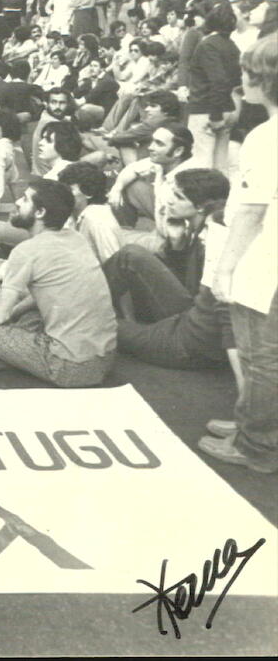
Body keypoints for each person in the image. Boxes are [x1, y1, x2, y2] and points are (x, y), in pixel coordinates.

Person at [0, 179, 117, 387]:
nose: (17, 202)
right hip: (105, 359)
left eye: (25, 199)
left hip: (69, 366)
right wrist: (15, 313)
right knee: (32, 313)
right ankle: (20, 351)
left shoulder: (25, 251)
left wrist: (5, 315)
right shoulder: (76, 238)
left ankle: (18, 360)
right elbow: (45, 295)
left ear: (40, 212)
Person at [204, 34, 277, 474]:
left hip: (265, 261)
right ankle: (254, 424)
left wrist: (224, 269)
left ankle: (257, 445)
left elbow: (251, 213)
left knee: (262, 358)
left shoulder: (266, 137)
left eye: (247, 72)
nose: (241, 80)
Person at [105, 168, 232, 372]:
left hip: (190, 331)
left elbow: (209, 300)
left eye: (179, 197)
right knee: (131, 256)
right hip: (186, 315)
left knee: (102, 325)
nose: (170, 201)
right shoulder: (194, 227)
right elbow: (185, 281)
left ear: (202, 206)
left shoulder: (211, 237)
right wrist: (176, 246)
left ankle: (83, 310)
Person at [107, 123, 198, 251]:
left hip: (170, 244)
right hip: (163, 220)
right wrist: (117, 188)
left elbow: (180, 236)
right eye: (153, 141)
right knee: (130, 184)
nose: (150, 147)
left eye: (159, 144)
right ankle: (125, 229)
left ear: (178, 151)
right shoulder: (166, 161)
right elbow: (132, 168)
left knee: (110, 238)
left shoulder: (187, 180)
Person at [186, 1, 241, 170]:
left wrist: (215, 116)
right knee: (220, 164)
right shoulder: (231, 45)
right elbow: (235, 80)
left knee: (201, 163)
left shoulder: (208, 45)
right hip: (226, 108)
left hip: (206, 110)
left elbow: (219, 81)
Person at [57, 161, 124, 264]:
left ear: (88, 192)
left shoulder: (97, 219)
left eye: (69, 189)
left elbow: (113, 264)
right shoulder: (75, 215)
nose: (62, 194)